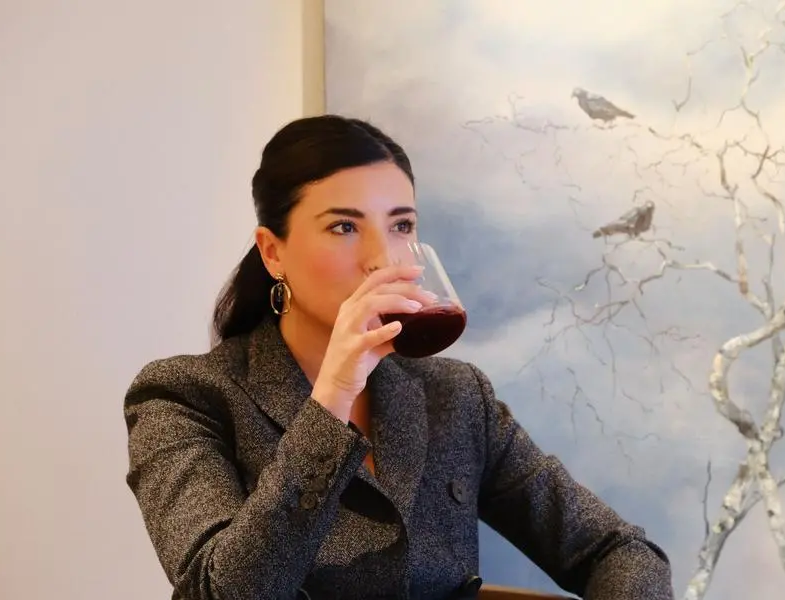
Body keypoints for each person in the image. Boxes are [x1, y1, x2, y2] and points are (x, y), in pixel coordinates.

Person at [123, 114, 674, 600]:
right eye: (344, 226)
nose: (382, 259)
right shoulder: (183, 396)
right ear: (273, 252)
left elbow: (619, 551)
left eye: (401, 226)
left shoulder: (455, 396)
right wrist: (331, 400)